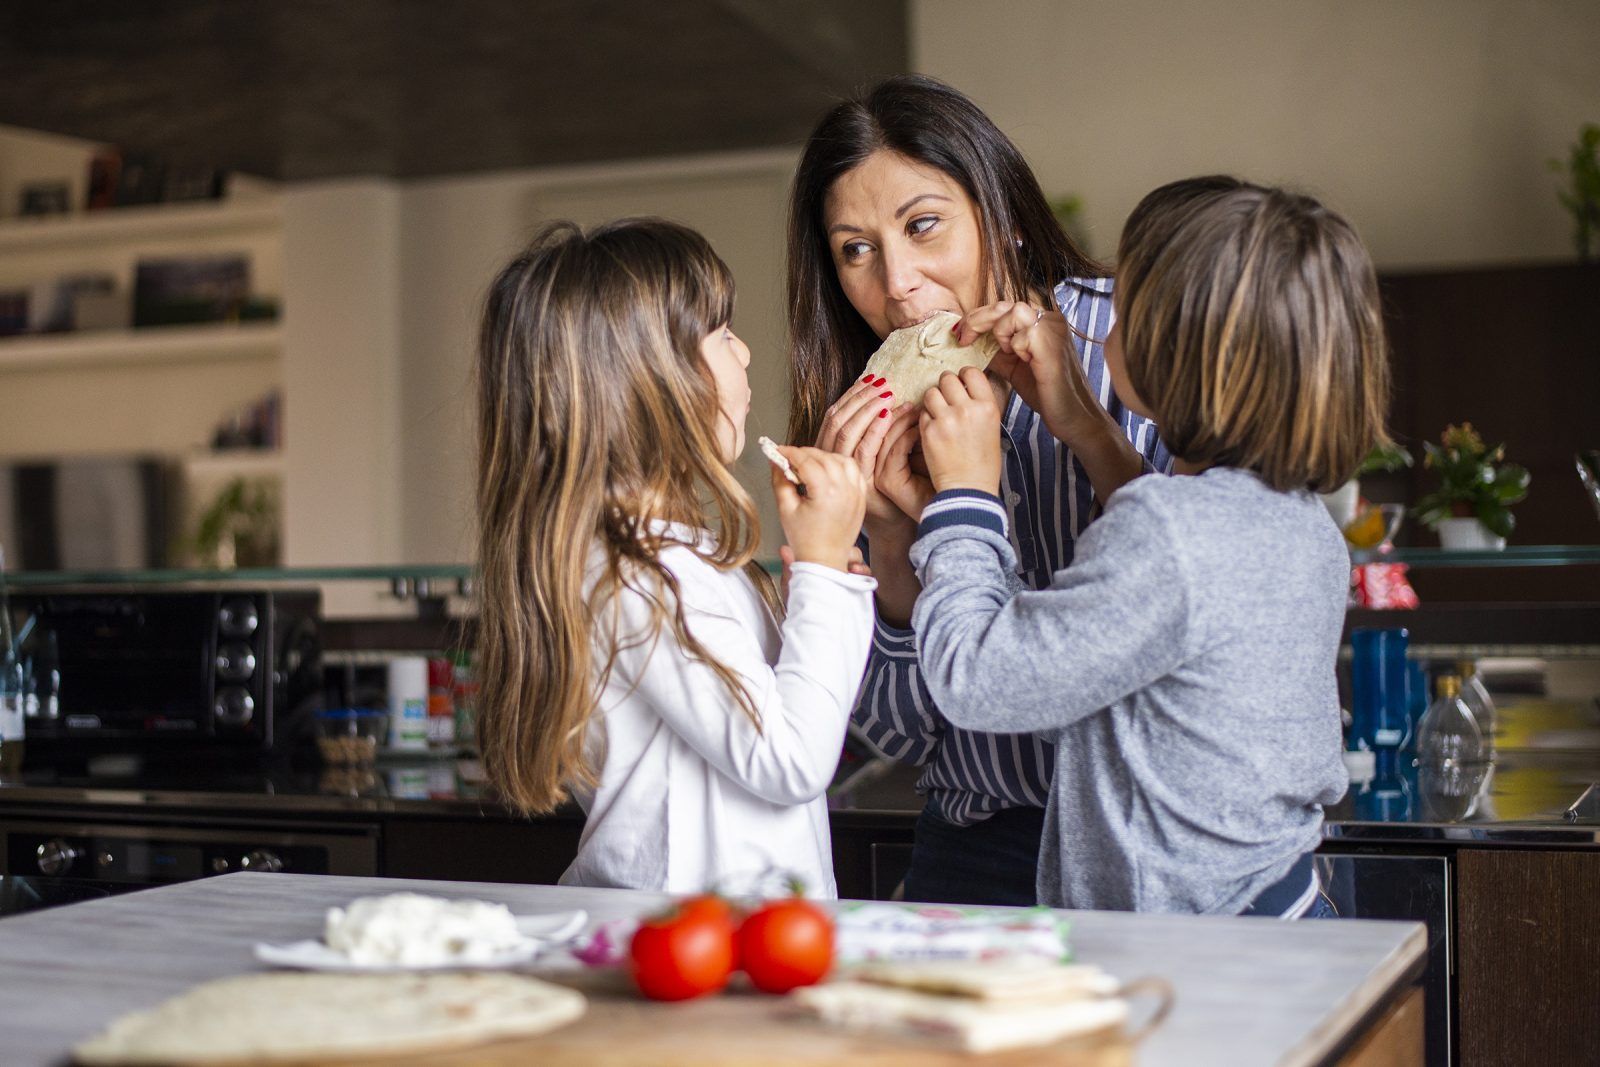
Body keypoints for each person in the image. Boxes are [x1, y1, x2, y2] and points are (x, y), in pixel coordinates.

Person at [875, 177, 1389, 915]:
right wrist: (1085, 426)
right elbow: (1173, 578)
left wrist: (965, 494)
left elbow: (978, 678)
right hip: (1275, 909)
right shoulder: (1293, 519)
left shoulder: (1174, 537)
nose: (1103, 317)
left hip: (1195, 955)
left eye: (1128, 302)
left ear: (1170, 347)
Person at [786, 74, 1171, 905]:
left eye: (923, 226)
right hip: (976, 846)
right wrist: (889, 545)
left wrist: (1078, 436)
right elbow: (898, 731)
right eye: (856, 249)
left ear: (1000, 210)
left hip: (1149, 838)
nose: (896, 284)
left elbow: (1199, 598)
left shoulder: (1129, 339)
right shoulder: (862, 415)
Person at [474, 217, 874, 898]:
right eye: (720, 334)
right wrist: (823, 570)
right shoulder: (644, 573)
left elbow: (792, 713)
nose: (745, 354)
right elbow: (789, 760)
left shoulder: (663, 558)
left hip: (727, 940)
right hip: (685, 941)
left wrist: (827, 581)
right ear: (649, 380)